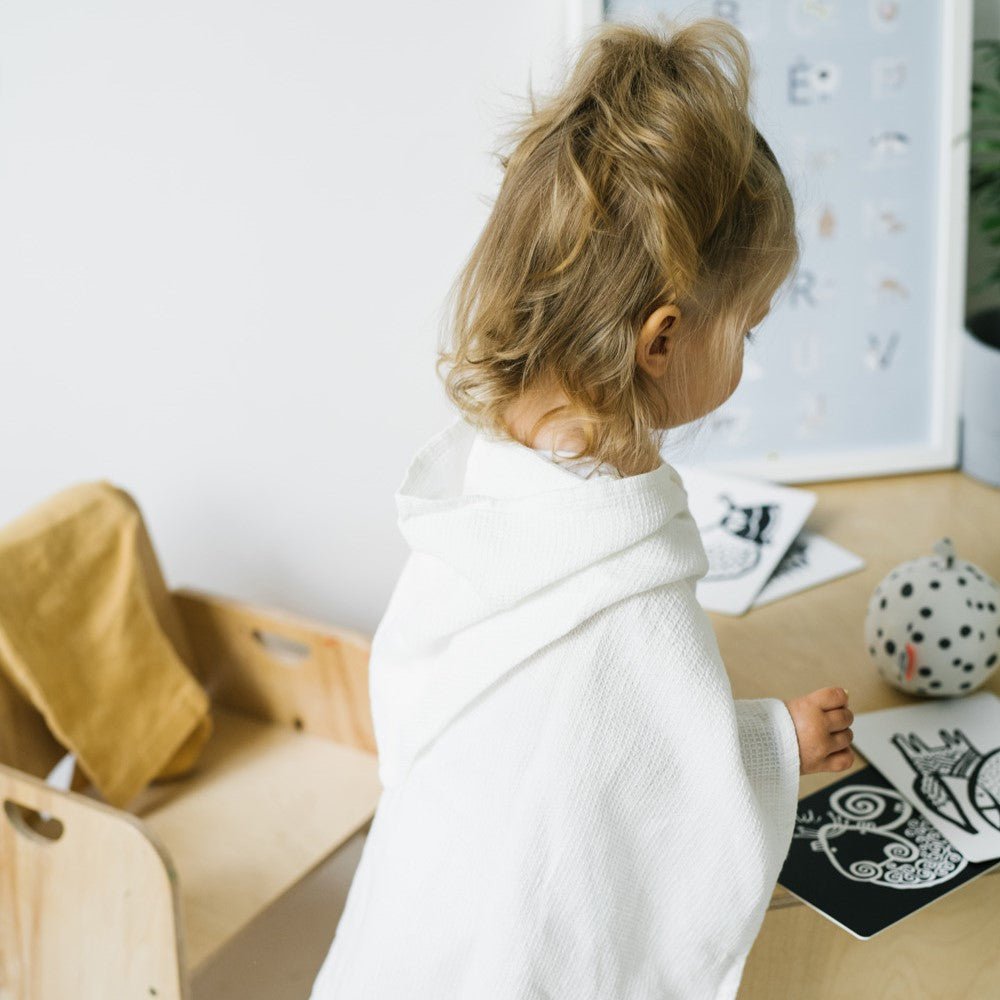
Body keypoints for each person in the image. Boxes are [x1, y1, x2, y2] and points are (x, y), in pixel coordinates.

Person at [311, 14, 854, 1000]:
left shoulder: (497, 474)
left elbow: (612, 741)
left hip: (416, 927)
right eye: (750, 328)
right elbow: (650, 799)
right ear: (661, 339)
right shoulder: (617, 584)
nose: (752, 356)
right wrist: (774, 745)